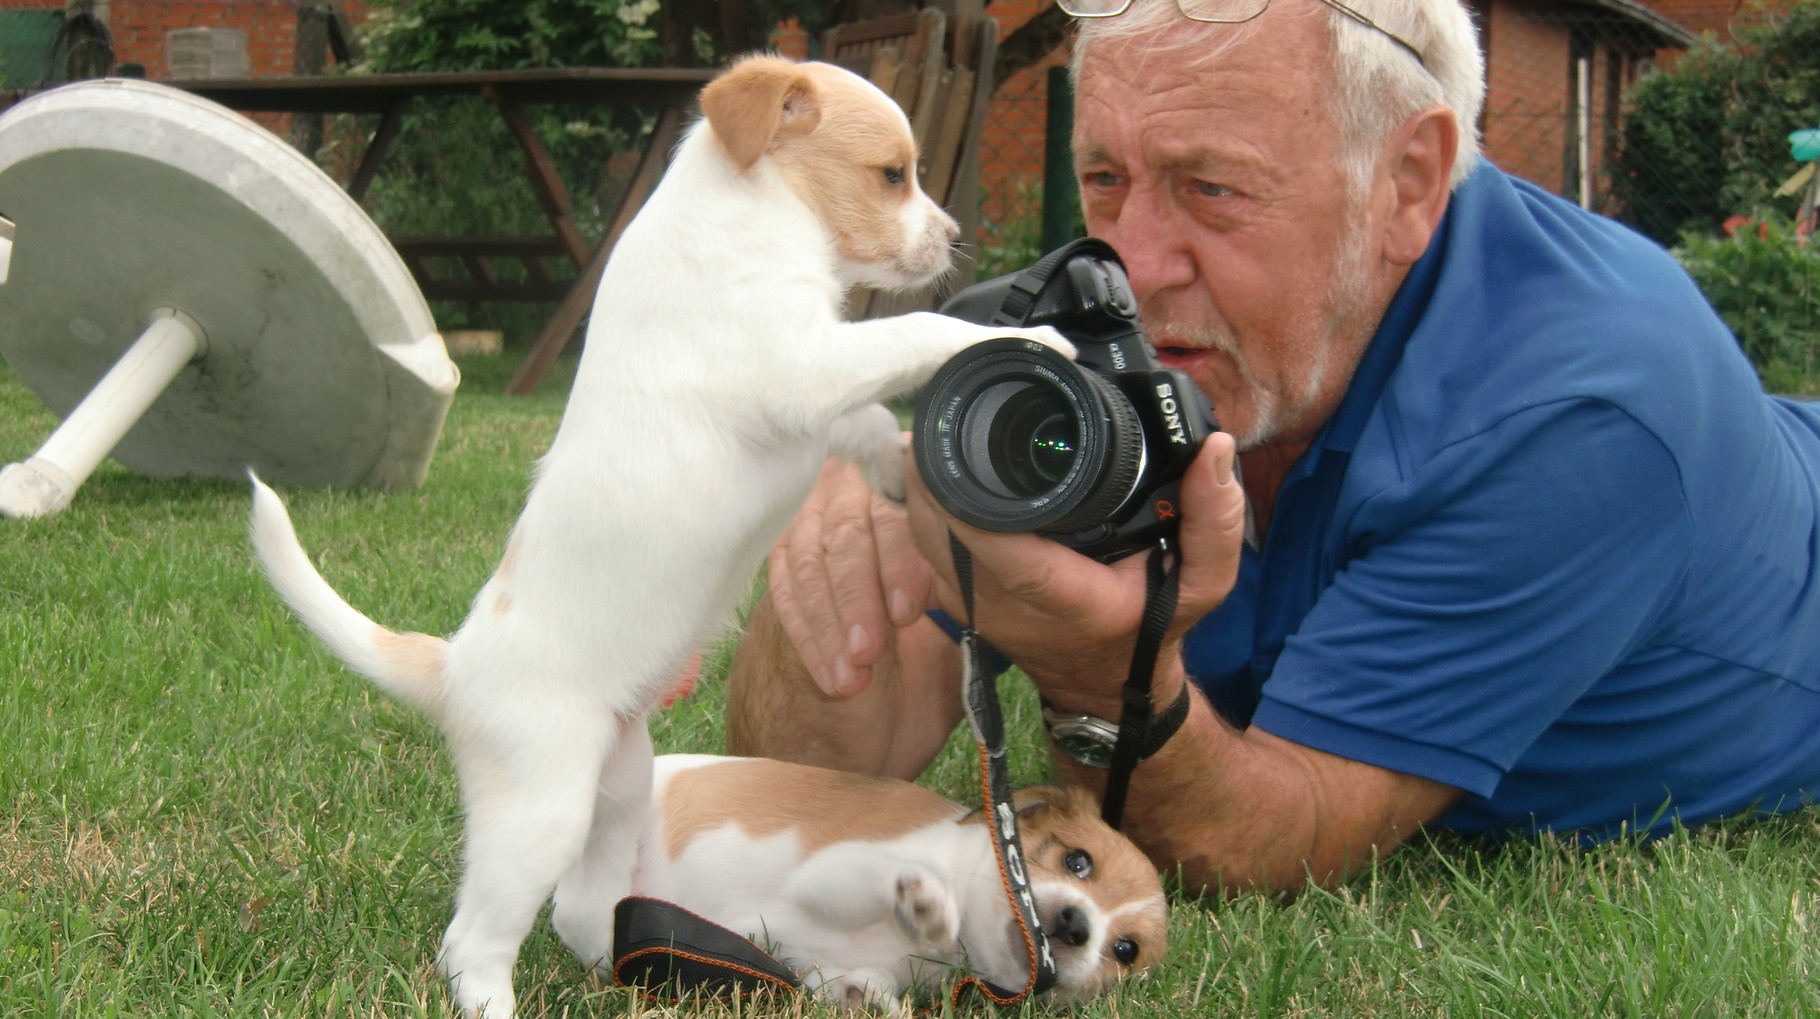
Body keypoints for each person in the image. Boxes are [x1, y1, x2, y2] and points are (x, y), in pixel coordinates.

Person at [724, 0, 1820, 896]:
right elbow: (798, 779)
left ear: (1407, 184)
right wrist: (839, 549)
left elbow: (1264, 842)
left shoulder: (1580, 416)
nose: (1133, 262)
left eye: (1211, 188)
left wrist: (1095, 669)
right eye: (1105, 177)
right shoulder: (1101, 311)